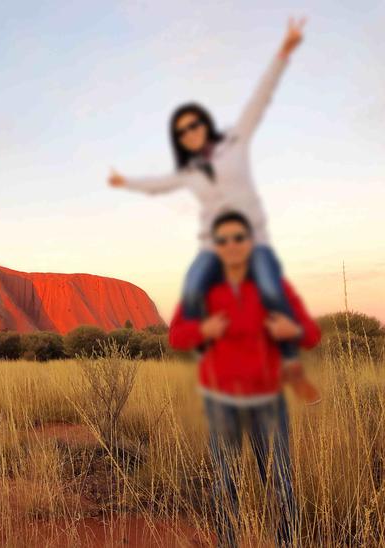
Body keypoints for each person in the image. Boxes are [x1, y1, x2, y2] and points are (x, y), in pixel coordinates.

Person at [108, 17, 320, 404]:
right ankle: (214, 359)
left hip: (252, 240)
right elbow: (160, 185)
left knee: (272, 292)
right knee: (191, 289)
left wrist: (284, 52)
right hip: (212, 246)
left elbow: (259, 101)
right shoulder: (189, 173)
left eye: (194, 125)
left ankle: (291, 367)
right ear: (181, 139)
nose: (190, 133)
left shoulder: (235, 144)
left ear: (205, 125)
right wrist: (127, 183)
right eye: (182, 131)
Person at [169, 211, 321, 547]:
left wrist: (291, 329)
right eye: (222, 240)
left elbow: (311, 334)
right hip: (222, 401)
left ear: (250, 242)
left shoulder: (273, 289)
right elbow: (176, 335)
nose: (231, 245)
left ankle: (288, 542)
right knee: (225, 485)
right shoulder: (204, 292)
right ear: (215, 247)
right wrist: (202, 329)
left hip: (268, 402)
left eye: (239, 237)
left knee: (281, 482)